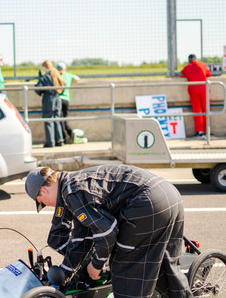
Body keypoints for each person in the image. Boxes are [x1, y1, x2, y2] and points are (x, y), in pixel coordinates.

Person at [25, 165, 192, 298]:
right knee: (166, 266)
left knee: (125, 270)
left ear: (44, 191)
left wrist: (96, 264)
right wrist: (66, 272)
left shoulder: (71, 193)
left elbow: (106, 233)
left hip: (147, 202)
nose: (48, 206)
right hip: (169, 194)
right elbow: (81, 239)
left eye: (42, 202)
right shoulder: (74, 183)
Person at [179, 54, 211, 137]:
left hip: (193, 90)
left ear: (189, 60)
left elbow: (181, 74)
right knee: (206, 109)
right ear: (196, 59)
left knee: (197, 110)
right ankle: (207, 130)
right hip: (204, 89)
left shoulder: (187, 67)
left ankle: (199, 131)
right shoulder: (202, 65)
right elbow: (208, 74)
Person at [35, 60, 65, 148]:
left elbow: (37, 89)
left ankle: (50, 142)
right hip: (57, 99)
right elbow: (64, 85)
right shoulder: (56, 74)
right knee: (57, 120)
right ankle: (59, 140)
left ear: (44, 67)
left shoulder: (45, 77)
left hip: (49, 99)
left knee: (48, 120)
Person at [56, 62, 80, 144]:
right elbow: (77, 78)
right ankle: (70, 133)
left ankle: (65, 136)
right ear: (64, 68)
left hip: (58, 99)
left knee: (60, 120)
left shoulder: (57, 76)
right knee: (64, 119)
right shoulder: (68, 75)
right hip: (66, 99)